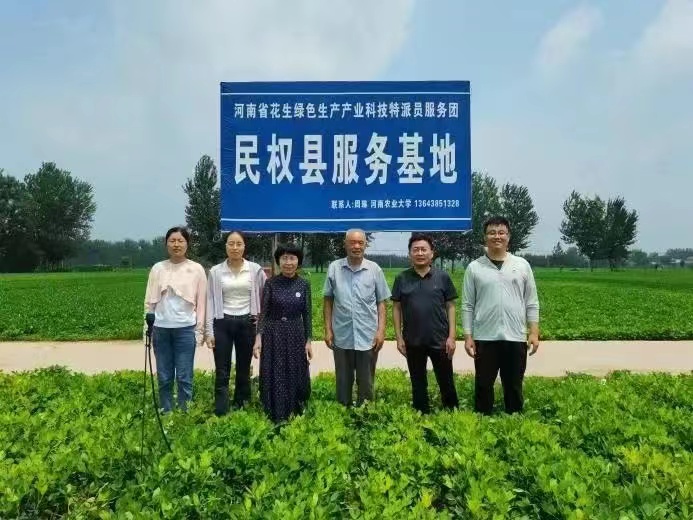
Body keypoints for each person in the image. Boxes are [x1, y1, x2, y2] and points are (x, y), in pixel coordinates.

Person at [462, 216, 540, 414]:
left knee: (514, 384)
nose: (497, 236)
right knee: (483, 384)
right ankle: (482, 418)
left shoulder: (521, 265)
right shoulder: (474, 268)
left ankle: (514, 418)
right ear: (485, 237)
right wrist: (468, 336)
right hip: (484, 336)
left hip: (515, 336)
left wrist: (533, 332)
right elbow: (468, 305)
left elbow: (531, 301)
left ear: (508, 236)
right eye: (492, 232)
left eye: (501, 232)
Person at [392, 232, 459, 414]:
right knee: (418, 381)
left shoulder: (442, 277)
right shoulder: (401, 278)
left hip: (440, 339)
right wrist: (399, 337)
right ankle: (421, 413)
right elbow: (396, 308)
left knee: (446, 380)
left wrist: (452, 337)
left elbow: (451, 306)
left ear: (432, 253)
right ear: (410, 254)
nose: (420, 253)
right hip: (413, 340)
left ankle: (452, 413)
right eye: (416, 250)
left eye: (423, 249)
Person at [323, 228, 390, 406]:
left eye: (360, 242)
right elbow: (328, 300)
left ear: (365, 245)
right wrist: (328, 329)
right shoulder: (334, 268)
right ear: (345, 244)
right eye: (352, 242)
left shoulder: (374, 269)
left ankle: (364, 413)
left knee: (366, 381)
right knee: (343, 380)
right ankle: (343, 410)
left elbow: (381, 302)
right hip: (342, 334)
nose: (356, 246)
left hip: (367, 335)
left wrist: (381, 331)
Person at [143, 226, 207, 412]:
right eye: (172, 241)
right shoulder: (158, 269)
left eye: (180, 241)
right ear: (166, 244)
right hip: (160, 328)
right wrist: (147, 328)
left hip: (186, 329)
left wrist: (200, 331)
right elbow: (149, 301)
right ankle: (167, 411)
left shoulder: (196, 269)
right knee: (164, 376)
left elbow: (202, 303)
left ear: (187, 244)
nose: (176, 244)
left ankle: (184, 413)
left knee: (184, 376)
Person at [205, 231, 267, 416]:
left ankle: (242, 405)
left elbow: (264, 297)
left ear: (244, 247)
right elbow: (210, 301)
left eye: (238, 244)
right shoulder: (216, 271)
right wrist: (209, 331)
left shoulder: (255, 270)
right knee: (222, 369)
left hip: (247, 323)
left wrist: (260, 329)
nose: (234, 247)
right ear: (226, 247)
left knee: (243, 368)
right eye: (231, 244)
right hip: (222, 323)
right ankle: (221, 410)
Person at [254, 243, 312, 423]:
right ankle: (274, 412)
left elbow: (307, 314)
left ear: (298, 261)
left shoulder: (304, 284)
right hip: (274, 333)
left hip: (296, 332)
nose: (288, 262)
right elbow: (264, 312)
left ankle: (296, 410)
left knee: (295, 369)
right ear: (278, 261)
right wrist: (258, 337)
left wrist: (309, 340)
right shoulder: (271, 283)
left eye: (292, 258)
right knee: (275, 370)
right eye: (284, 258)